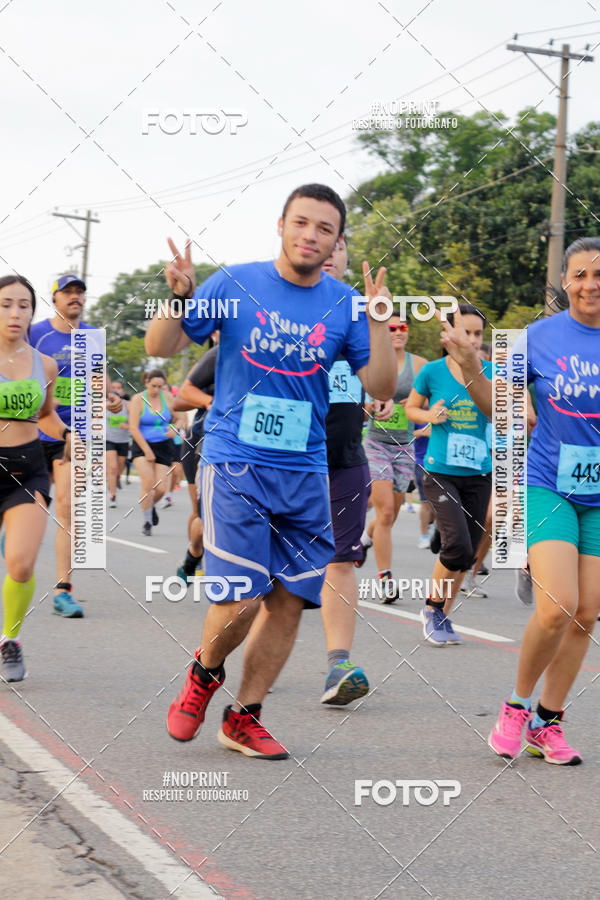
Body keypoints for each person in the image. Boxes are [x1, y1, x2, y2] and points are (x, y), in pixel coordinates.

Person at [146, 183, 396, 759]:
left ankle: (245, 716)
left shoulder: (344, 305)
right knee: (241, 595)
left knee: (288, 601)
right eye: (302, 223)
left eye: (325, 228)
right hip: (236, 458)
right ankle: (205, 672)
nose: (311, 235)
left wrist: (379, 321)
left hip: (306, 469)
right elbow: (160, 345)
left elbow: (380, 386)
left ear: (337, 240)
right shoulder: (235, 283)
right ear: (281, 225)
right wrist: (178, 296)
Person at [440, 237, 600, 764]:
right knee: (559, 607)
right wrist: (470, 368)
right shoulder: (532, 338)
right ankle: (516, 704)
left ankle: (547, 723)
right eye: (579, 274)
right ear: (565, 282)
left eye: (598, 274)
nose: (590, 284)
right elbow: (499, 411)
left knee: (586, 615)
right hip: (547, 484)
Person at [29, 274, 121, 617]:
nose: (75, 297)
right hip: (35, 430)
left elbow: (100, 380)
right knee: (31, 514)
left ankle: (62, 590)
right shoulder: (37, 333)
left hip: (75, 436)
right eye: (68, 292)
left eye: (79, 292)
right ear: (54, 298)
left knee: (68, 510)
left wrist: (112, 398)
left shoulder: (93, 336)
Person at [0, 275, 74, 681]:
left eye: (24, 305)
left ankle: (10, 641)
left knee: (22, 564)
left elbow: (46, 413)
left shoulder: (43, 363)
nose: (15, 312)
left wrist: (67, 435)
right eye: (6, 304)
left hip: (26, 469)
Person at [405, 304, 492, 645]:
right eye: (465, 332)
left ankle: (442, 614)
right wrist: (428, 413)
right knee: (457, 547)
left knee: (467, 554)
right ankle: (432, 608)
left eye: (477, 334)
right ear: (449, 335)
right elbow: (410, 407)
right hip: (441, 471)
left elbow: (504, 413)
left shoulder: (491, 372)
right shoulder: (432, 371)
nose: (471, 340)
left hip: (479, 473)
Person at [319, 236, 370, 705]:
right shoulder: (276, 311)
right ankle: (239, 655)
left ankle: (339, 664)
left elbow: (380, 378)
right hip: (287, 460)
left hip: (347, 460)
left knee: (339, 561)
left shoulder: (358, 314)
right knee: (273, 573)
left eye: (340, 248)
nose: (330, 253)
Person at [359, 312, 427, 600]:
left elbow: (430, 402)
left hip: (404, 446)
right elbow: (356, 407)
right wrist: (370, 407)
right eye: (391, 328)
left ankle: (364, 538)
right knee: (385, 511)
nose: (398, 332)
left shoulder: (420, 365)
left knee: (392, 515)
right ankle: (386, 579)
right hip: (375, 443)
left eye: (402, 327)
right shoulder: (370, 361)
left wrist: (414, 406)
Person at [172, 337, 219, 584]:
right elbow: (178, 401)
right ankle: (195, 552)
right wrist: (209, 401)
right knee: (201, 513)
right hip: (199, 442)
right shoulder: (210, 360)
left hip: (240, 445)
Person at [128, 369, 174, 536]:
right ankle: (147, 522)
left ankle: (150, 505)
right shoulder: (138, 399)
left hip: (163, 445)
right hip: (142, 445)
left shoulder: (167, 397)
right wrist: (147, 451)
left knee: (161, 489)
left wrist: (175, 428)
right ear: (146, 382)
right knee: (148, 483)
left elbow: (181, 418)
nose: (156, 390)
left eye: (160, 387)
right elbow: (133, 427)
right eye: (153, 386)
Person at [106, 380, 129, 507]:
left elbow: (136, 422)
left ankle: (116, 481)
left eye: (119, 388)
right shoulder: (105, 404)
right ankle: (112, 496)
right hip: (108, 439)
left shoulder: (127, 405)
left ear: (122, 391)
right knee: (112, 467)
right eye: (113, 387)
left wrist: (128, 426)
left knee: (119, 471)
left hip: (123, 441)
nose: (116, 390)